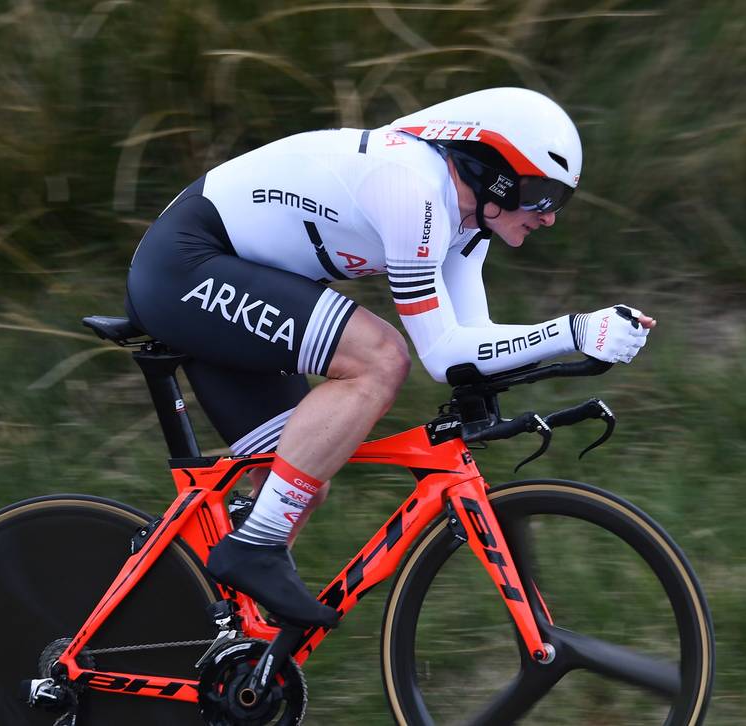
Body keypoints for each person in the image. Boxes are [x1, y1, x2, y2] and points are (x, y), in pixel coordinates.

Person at [123, 87, 655, 628]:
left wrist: (575, 350)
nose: (549, 218)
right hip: (185, 267)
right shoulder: (411, 188)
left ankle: (218, 637)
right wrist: (573, 331)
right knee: (380, 358)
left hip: (225, 277)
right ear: (495, 174)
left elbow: (473, 345)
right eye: (543, 195)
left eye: (559, 201)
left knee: (301, 477)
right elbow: (441, 357)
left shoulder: (466, 227)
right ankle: (254, 547)